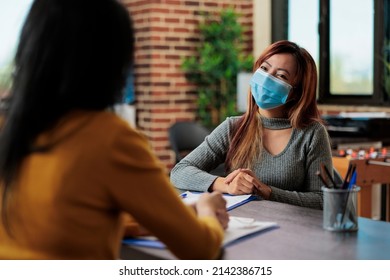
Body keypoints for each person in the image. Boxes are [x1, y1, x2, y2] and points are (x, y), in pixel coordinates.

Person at [0, 0, 228, 260]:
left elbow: (74, 215)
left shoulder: (9, 128)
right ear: (110, 59)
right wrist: (209, 212)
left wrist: (184, 212)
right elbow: (200, 249)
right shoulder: (108, 138)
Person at [171, 40, 334, 210]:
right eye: (264, 69)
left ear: (296, 92)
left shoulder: (312, 133)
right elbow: (180, 172)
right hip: (242, 226)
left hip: (291, 230)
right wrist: (226, 185)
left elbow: (323, 200)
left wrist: (268, 192)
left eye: (281, 76)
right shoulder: (233, 127)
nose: (267, 78)